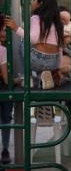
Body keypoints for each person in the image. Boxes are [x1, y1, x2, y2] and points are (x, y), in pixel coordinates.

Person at [4, 0, 64, 89]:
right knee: (40, 63)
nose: (31, 2)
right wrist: (58, 68)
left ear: (40, 4)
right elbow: (60, 47)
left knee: (23, 43)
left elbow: (33, 39)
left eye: (33, 0)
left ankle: (26, 78)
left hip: (38, 60)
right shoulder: (57, 22)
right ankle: (44, 77)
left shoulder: (36, 18)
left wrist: (15, 28)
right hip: (54, 62)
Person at [0, 14, 13, 164]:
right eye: (2, 29)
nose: (4, 33)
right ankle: (5, 149)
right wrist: (15, 80)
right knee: (6, 118)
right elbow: (6, 78)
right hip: (3, 87)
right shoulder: (3, 50)